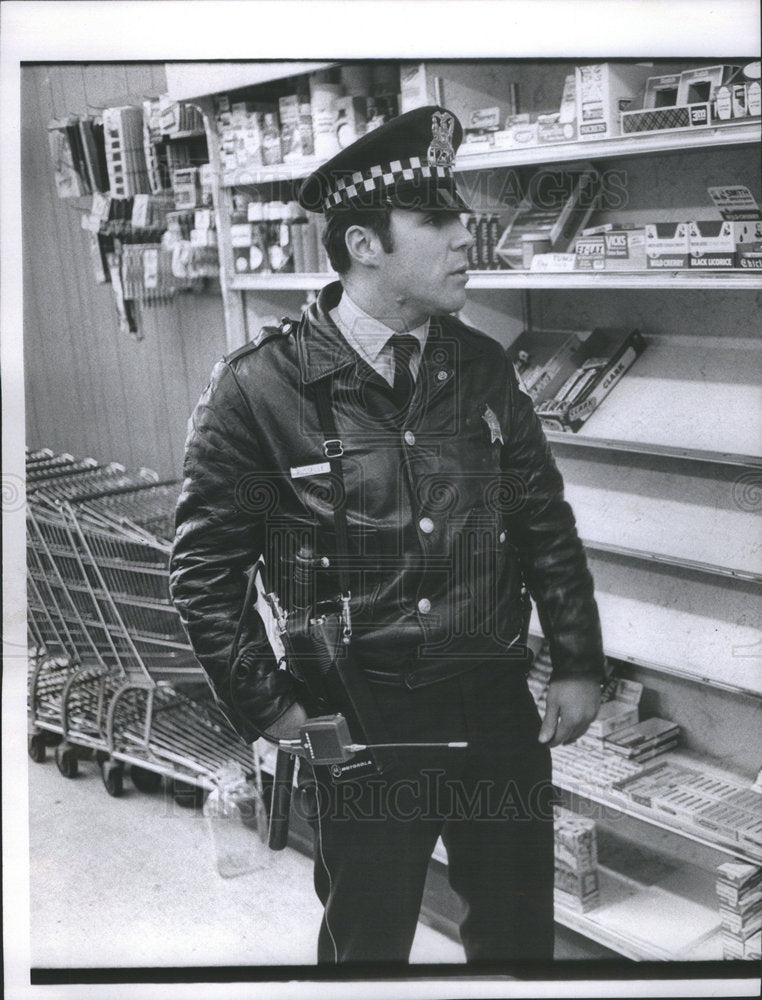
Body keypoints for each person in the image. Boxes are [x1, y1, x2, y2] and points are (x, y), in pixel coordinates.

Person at [169, 105, 605, 965]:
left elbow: (540, 520)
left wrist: (580, 658)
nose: (462, 235)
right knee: (367, 945)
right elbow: (203, 577)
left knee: (519, 936)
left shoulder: (478, 364)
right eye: (437, 219)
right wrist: (275, 707)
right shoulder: (258, 389)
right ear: (365, 244)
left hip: (493, 707)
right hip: (360, 714)